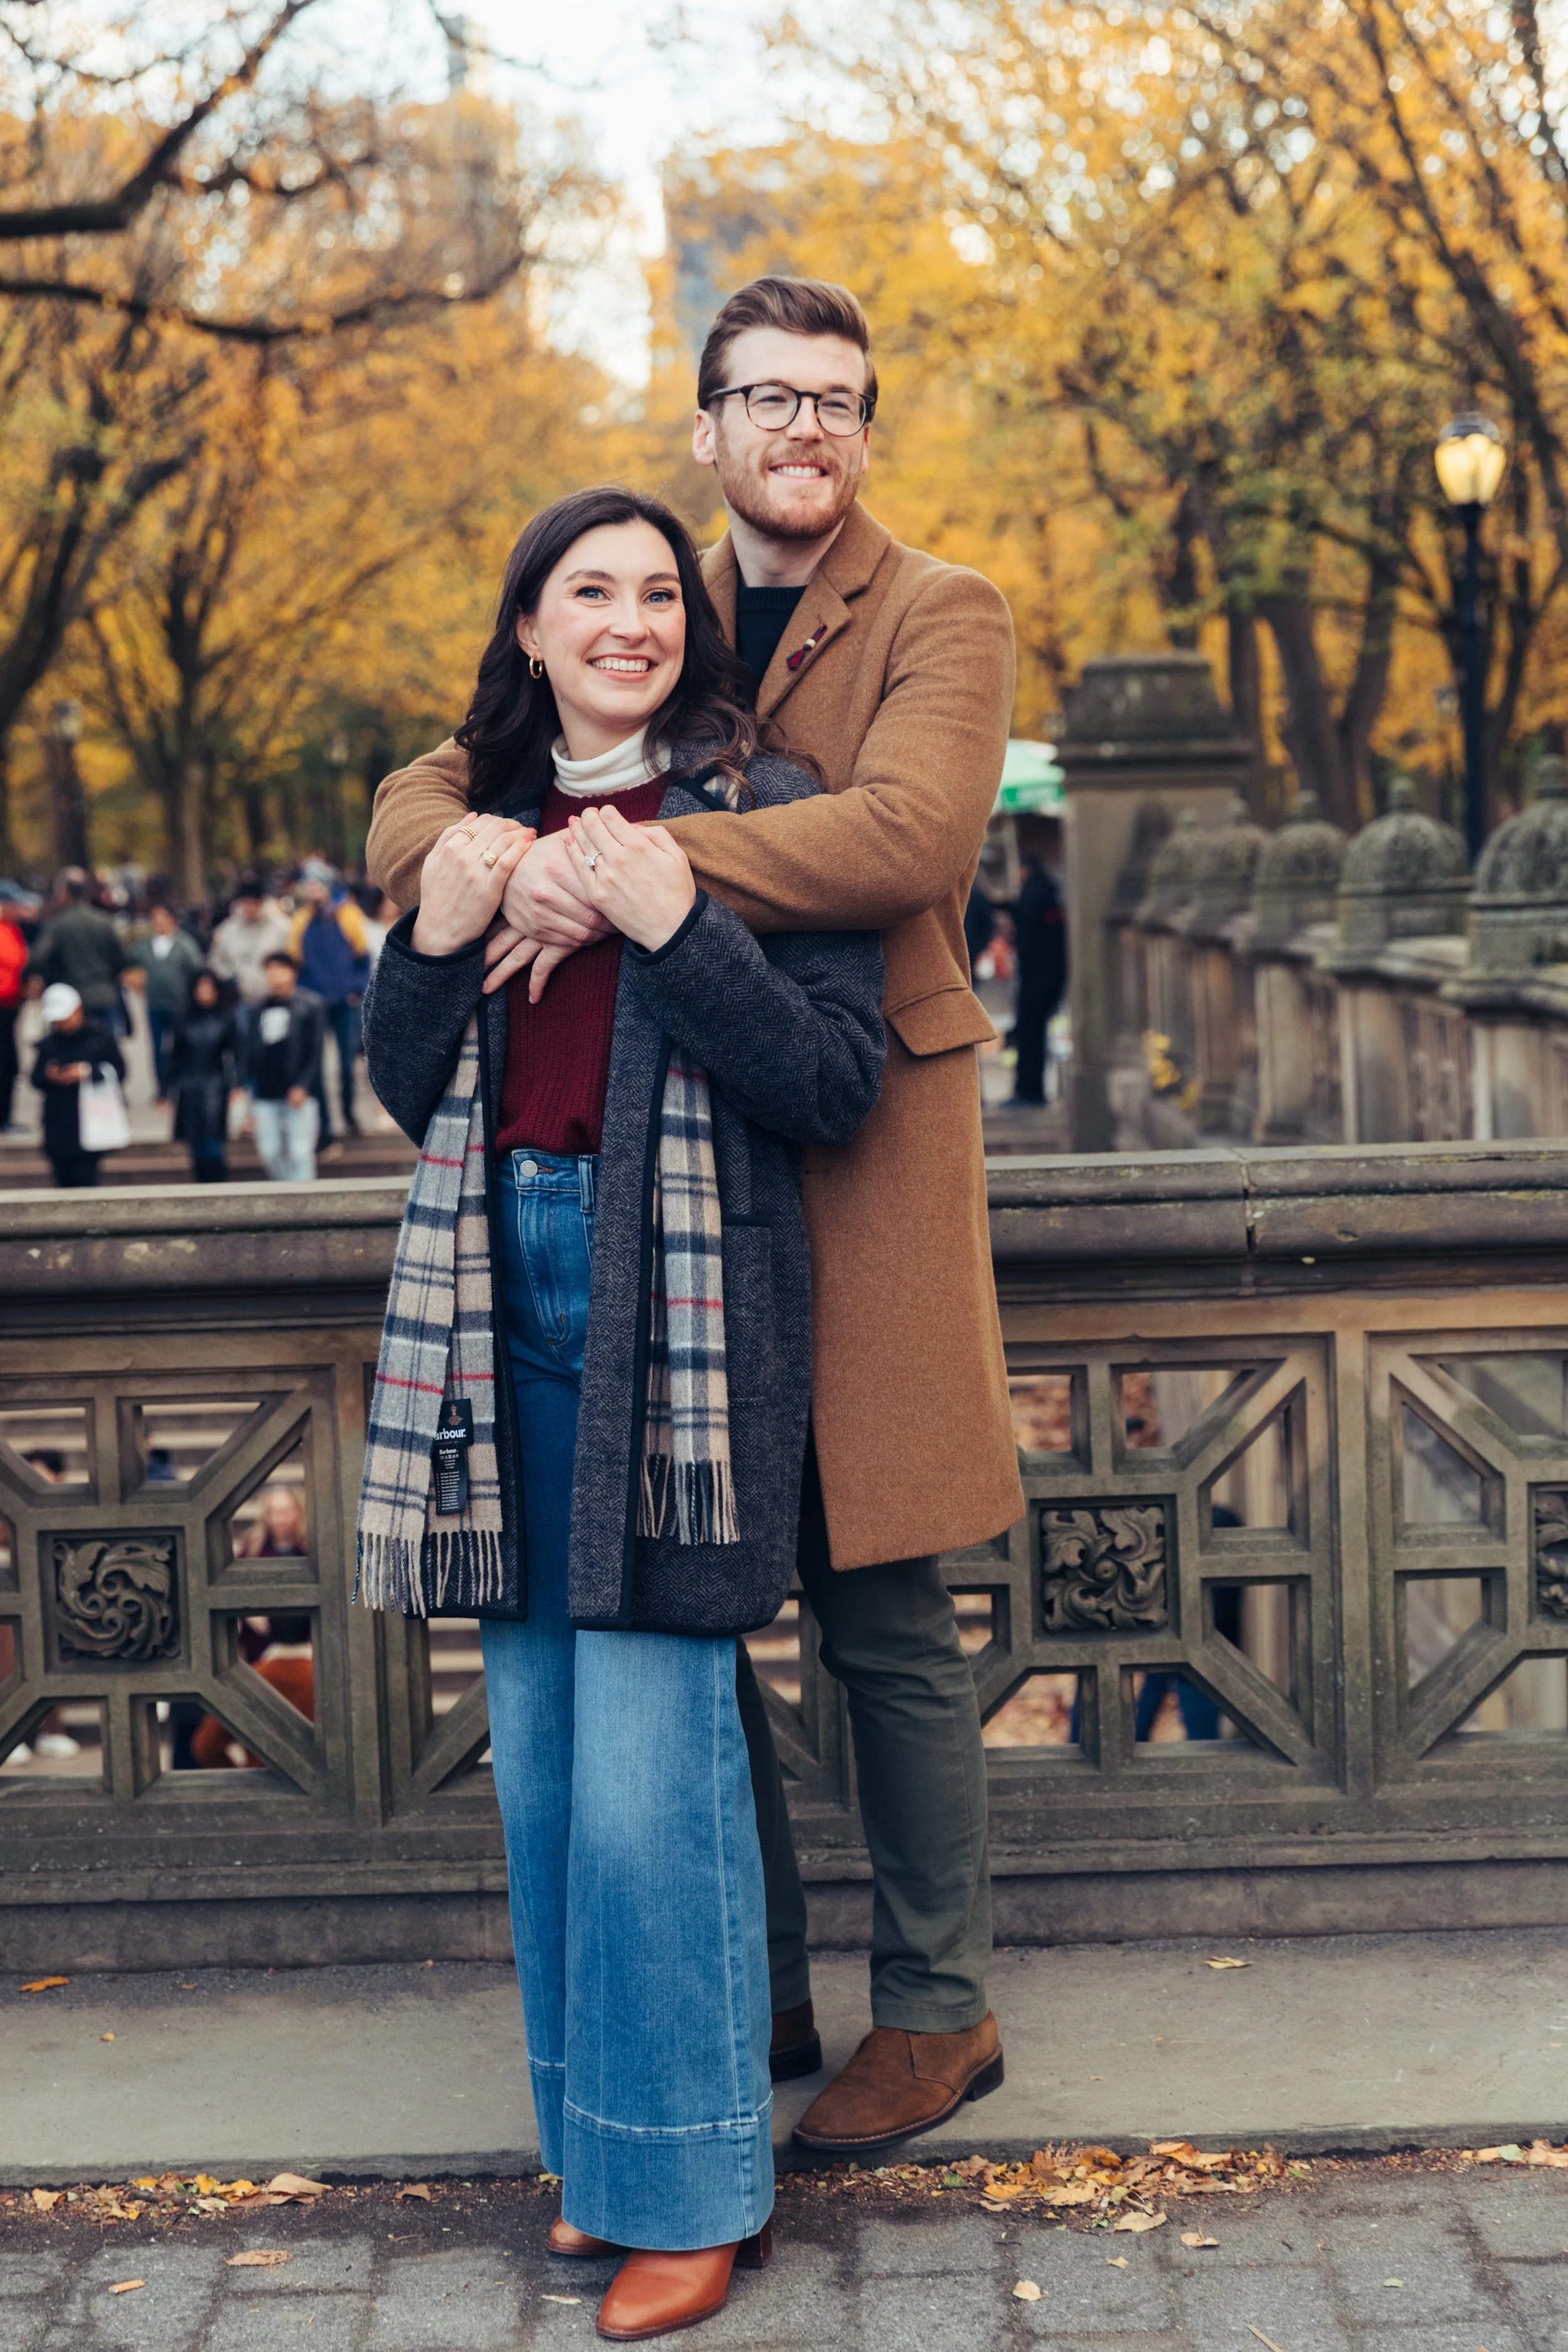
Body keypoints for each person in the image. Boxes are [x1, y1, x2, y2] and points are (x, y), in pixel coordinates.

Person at [364, 276, 1024, 2159]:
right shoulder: (643, 581)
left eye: (837, 399)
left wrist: (614, 868)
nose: (804, 429)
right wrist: (480, 849)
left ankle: (935, 2001)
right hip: (664, 1141)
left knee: (880, 1590)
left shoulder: (937, 608)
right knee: (683, 1568)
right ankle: (754, 1974)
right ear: (706, 427)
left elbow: (900, 839)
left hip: (853, 1132)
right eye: (767, 398)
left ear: (866, 427)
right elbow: (431, 782)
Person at [358, 485, 883, 2341]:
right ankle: (600, 2152)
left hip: (678, 1316)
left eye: (658, 591)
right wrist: (438, 921)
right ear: (526, 625)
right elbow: (397, 1081)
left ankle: (689, 2188)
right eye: (590, 590)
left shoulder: (750, 806)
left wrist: (673, 918)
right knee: (549, 1766)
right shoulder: (475, 821)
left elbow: (833, 1082)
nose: (629, 618)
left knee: (657, 1772)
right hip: (497, 1291)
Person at [290, 864, 370, 1138]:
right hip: (312, 1004)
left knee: (346, 1065)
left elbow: (363, 957)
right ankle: (323, 1124)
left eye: (317, 884)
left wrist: (355, 989)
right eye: (309, 884)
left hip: (344, 1003)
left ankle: (349, 1114)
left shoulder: (348, 916)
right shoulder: (301, 920)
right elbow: (296, 962)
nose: (313, 889)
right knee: (316, 1065)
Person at [238, 952, 324, 1183]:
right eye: (270, 970)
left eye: (280, 969)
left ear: (293, 973)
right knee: (269, 1152)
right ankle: (286, 1194)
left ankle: (305, 1202)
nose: (275, 975)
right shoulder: (257, 1010)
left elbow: (316, 1051)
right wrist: (244, 1088)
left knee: (300, 1151)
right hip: (265, 1091)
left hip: (299, 1091)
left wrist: (304, 1085)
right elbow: (249, 1051)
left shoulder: (311, 1005)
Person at [31, 981, 125, 1189]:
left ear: (78, 1010)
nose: (61, 1024)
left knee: (86, 1180)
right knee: (62, 1182)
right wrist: (51, 1076)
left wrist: (86, 1072)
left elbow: (120, 1071)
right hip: (58, 1126)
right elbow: (35, 1078)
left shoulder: (99, 1036)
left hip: (90, 1125)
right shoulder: (50, 1043)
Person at [1006, 846, 1067, 1106]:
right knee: (1037, 1034)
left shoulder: (1032, 894)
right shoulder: (1050, 891)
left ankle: (1028, 1092)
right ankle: (1034, 1090)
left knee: (1029, 1035)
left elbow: (1029, 939)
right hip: (1052, 976)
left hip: (1035, 978)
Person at [168, 967, 241, 1182]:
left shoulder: (227, 1018)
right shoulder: (183, 1018)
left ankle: (218, 1183)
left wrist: (237, 1085)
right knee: (195, 1143)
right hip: (188, 1085)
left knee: (213, 1142)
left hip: (215, 1084)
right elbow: (174, 1055)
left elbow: (237, 1054)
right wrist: (166, 1090)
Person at [128, 903, 204, 1099]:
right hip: (154, 1003)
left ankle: (181, 1084)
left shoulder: (184, 944)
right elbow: (132, 967)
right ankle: (162, 1087)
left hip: (179, 1004)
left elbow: (197, 970)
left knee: (180, 1045)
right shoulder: (144, 946)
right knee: (157, 1047)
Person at [27, 869, 126, 1018]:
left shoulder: (58, 924)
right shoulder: (104, 921)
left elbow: (37, 958)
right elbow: (121, 959)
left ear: (65, 892)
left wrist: (28, 978)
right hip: (103, 996)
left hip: (70, 1002)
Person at [209, 873, 292, 1005]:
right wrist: (230, 978)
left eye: (255, 903)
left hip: (273, 997)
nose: (251, 908)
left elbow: (291, 958)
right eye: (247, 903)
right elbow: (217, 961)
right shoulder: (227, 931)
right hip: (239, 999)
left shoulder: (282, 928)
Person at [0, 898, 26, 1131]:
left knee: (10, 1063)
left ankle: (5, 1116)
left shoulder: (12, 931)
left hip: (10, 1005)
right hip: (3, 1002)